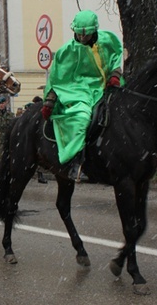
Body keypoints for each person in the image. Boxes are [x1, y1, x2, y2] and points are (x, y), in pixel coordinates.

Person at [42, 10, 123, 181]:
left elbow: (116, 57)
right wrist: (49, 101)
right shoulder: (66, 51)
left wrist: (115, 74)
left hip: (105, 86)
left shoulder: (108, 40)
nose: (82, 37)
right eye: (79, 33)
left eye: (85, 34)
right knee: (81, 118)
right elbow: (56, 78)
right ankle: (75, 162)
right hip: (77, 91)